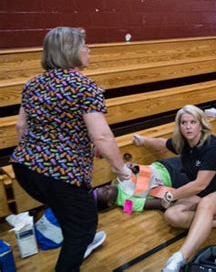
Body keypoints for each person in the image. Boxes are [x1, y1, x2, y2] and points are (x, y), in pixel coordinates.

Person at [10, 27, 132, 272]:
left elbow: (21, 127)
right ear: (70, 50)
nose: (89, 49)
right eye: (84, 45)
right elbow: (102, 136)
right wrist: (121, 170)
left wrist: (43, 153)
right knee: (83, 228)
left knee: (70, 217)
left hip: (25, 169)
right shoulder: (84, 86)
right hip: (61, 175)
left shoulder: (32, 83)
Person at [131, 105, 216, 272]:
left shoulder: (212, 145)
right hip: (202, 195)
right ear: (179, 126)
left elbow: (200, 184)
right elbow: (163, 143)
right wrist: (143, 140)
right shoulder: (183, 143)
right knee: (172, 216)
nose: (188, 126)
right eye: (184, 123)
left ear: (201, 124)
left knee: (206, 203)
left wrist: (172, 195)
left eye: (193, 122)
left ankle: (180, 258)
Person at [95, 151, 216, 212]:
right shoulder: (125, 202)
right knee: (204, 176)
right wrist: (174, 199)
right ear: (110, 203)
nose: (108, 187)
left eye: (104, 188)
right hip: (172, 179)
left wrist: (131, 167)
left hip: (163, 164)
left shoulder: (115, 182)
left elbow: (134, 169)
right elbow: (152, 204)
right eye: (106, 192)